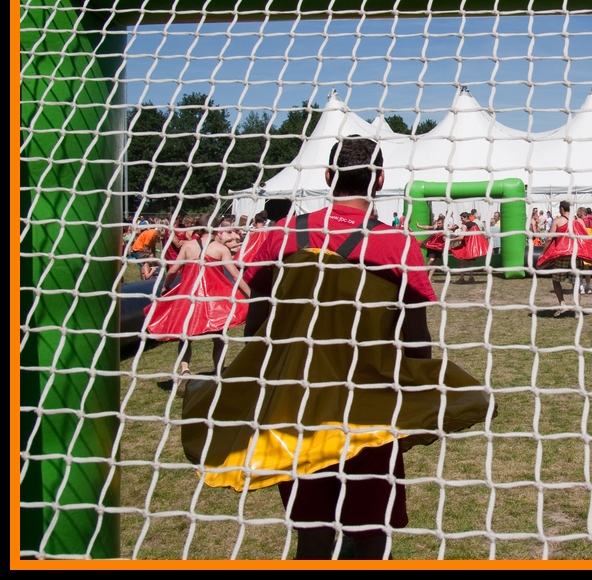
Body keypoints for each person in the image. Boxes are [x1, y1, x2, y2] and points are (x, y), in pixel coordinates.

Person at [183, 136, 491, 561]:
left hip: (294, 416)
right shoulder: (397, 246)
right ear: (381, 179)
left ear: (328, 177)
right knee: (369, 535)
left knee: (311, 536)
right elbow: (416, 342)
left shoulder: (280, 237)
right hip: (367, 416)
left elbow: (256, 328)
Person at [144, 214, 250, 392]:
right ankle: (218, 371)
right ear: (217, 228)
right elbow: (233, 273)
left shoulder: (188, 246)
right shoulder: (220, 248)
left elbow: (173, 270)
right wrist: (249, 293)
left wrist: (166, 286)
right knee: (219, 338)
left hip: (189, 297)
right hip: (214, 299)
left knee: (185, 338)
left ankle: (185, 370)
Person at [536, 201, 592, 316]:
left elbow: (549, 239)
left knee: (556, 280)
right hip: (575, 256)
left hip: (562, 255)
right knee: (576, 283)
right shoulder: (578, 221)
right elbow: (584, 239)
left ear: (562, 209)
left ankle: (562, 305)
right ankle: (577, 310)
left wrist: (543, 253)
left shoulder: (558, 220)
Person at [450, 211, 490, 283]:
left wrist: (451, 239)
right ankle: (471, 277)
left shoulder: (465, 225)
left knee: (461, 261)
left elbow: (462, 237)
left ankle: (462, 278)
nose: (461, 219)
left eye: (462, 218)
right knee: (470, 262)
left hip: (466, 246)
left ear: (466, 218)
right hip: (472, 247)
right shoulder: (475, 224)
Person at [416, 214, 448, 281]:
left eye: (440, 223)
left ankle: (429, 279)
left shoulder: (445, 230)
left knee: (435, 264)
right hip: (431, 246)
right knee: (431, 260)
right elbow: (427, 227)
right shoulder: (435, 227)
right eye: (438, 223)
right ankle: (424, 272)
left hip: (439, 247)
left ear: (443, 224)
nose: (438, 224)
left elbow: (446, 237)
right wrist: (419, 226)